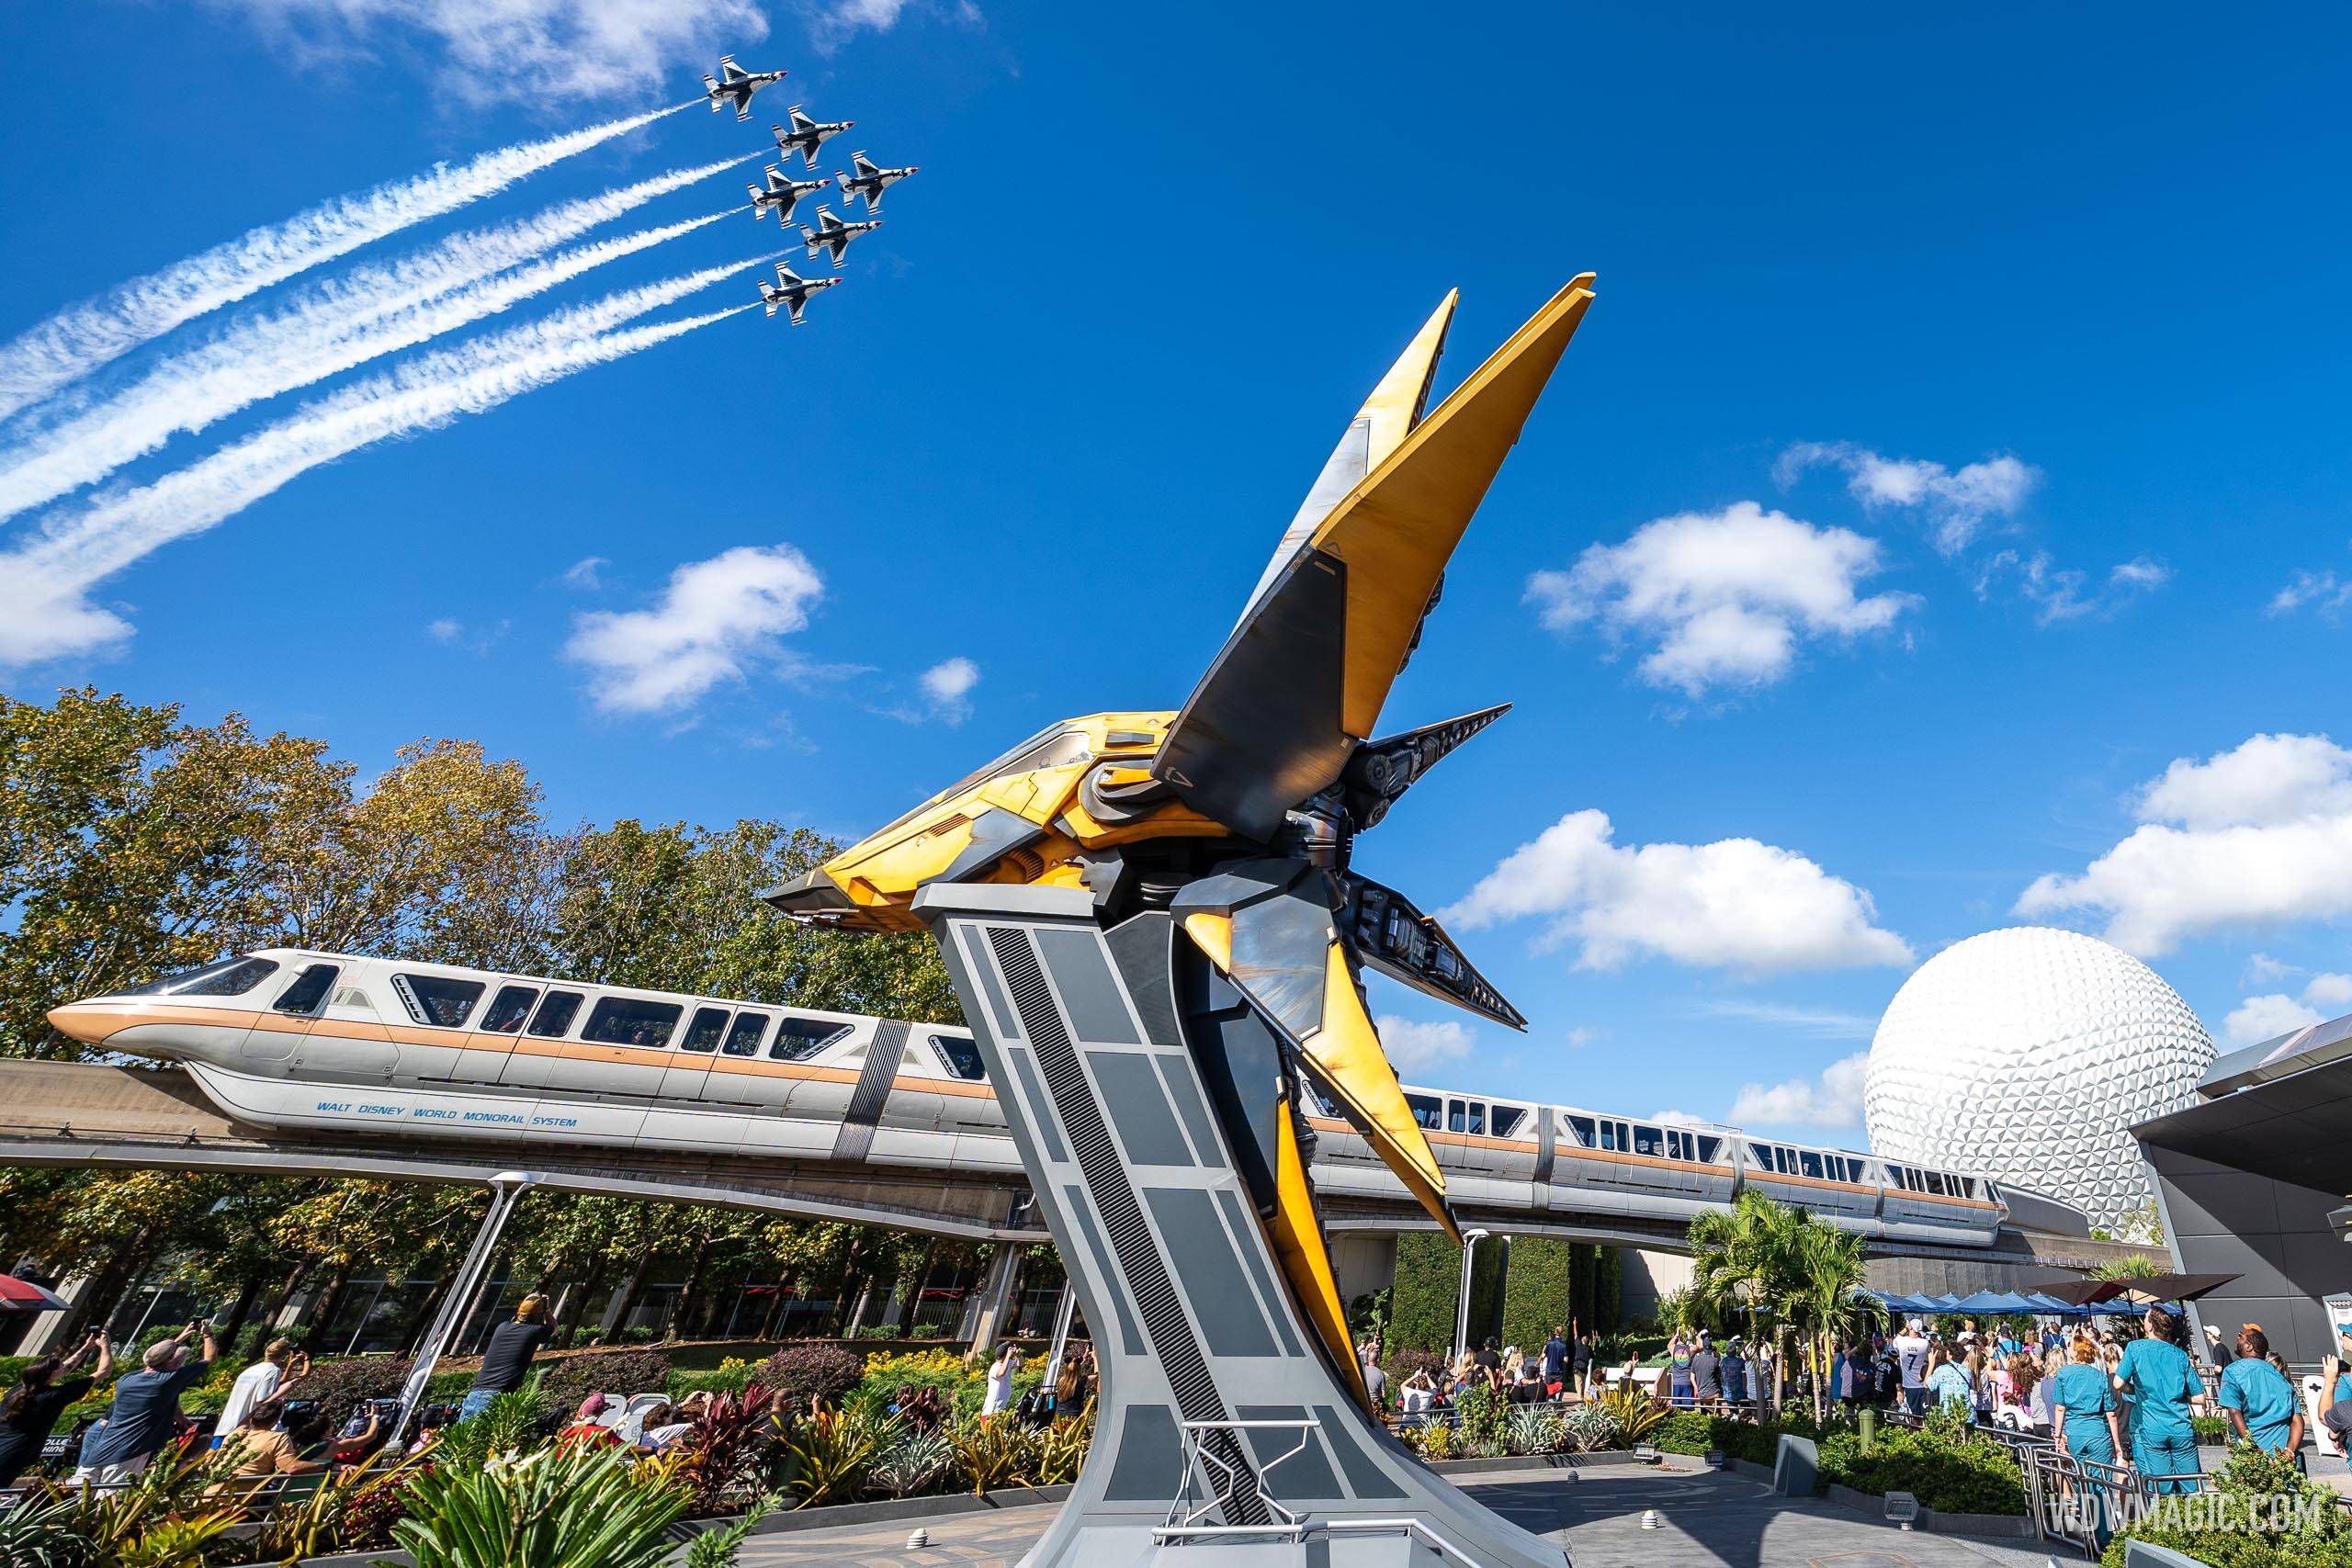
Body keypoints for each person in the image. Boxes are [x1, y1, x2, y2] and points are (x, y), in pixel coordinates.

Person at [74, 1319, 217, 1484]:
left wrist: (177, 1340)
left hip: (99, 1448)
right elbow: (209, 1358)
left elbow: (155, 1361)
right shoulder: (167, 1381)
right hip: (128, 1451)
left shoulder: (126, 1380)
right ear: (172, 1361)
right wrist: (207, 1333)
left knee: (78, 1500)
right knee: (110, 1502)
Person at [0, 1330, 112, 1486]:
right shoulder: (54, 1396)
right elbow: (104, 1371)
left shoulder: (18, 1390)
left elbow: (64, 1368)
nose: (64, 1367)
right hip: (12, 1455)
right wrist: (106, 1346)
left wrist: (86, 1348)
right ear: (52, 1373)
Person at [2116, 1306, 2199, 1491]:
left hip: (2153, 1426)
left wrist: (2135, 1390)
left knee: (2162, 1486)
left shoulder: (2135, 1348)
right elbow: (2200, 1397)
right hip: (2180, 1425)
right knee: (2192, 1486)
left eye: (2145, 1318)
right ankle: (2194, 1518)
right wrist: (2176, 1398)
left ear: (2150, 1327)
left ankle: (2167, 1517)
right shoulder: (2180, 1355)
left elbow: (2117, 1383)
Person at [461, 1294, 552, 1422]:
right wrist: (547, 1310)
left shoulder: (502, 1327)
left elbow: (517, 1319)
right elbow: (553, 1327)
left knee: (465, 1438)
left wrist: (530, 1301)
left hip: (475, 1392)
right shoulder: (534, 1331)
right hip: (497, 1394)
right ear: (538, 1315)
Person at [2218, 1326, 2303, 1455]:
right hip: (2284, 1453)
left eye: (2241, 1336)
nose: (2237, 1337)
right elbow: (2297, 1420)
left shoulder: (2232, 1372)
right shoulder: (2280, 1377)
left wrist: (2255, 1450)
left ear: (2249, 1347)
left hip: (2255, 1454)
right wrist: (2289, 1451)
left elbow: (2235, 1412)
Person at [214, 1339, 310, 1447]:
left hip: (225, 1425)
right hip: (242, 1428)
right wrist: (283, 1392)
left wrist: (290, 1367)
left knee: (210, 1460)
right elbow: (263, 1400)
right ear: (284, 1355)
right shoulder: (273, 1371)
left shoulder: (251, 1370)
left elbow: (278, 1384)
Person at [2051, 1337, 2125, 1468]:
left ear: (2075, 1352)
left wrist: (2058, 1436)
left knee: (2081, 1476)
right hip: (2099, 1433)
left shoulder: (2063, 1374)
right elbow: (2111, 1414)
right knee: (2102, 1479)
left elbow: (2060, 1408)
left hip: (2076, 1432)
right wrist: (2117, 1443)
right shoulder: (2100, 1376)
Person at [221, 1399, 327, 1481]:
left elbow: (245, 1422)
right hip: (238, 1498)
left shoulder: (236, 1433)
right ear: (276, 1420)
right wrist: (328, 1466)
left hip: (212, 1492)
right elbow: (291, 1467)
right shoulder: (277, 1438)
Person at [1891, 1319, 1930, 1415]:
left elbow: (1896, 1339)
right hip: (1922, 1383)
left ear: (1910, 1327)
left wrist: (1905, 1328)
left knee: (1912, 1414)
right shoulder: (1925, 1343)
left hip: (1909, 1385)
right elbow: (1929, 1358)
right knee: (1924, 1414)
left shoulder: (1902, 1341)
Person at [1926, 1344, 1973, 1413]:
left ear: (1951, 1355)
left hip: (1949, 1414)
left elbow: (1928, 1385)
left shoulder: (1941, 1370)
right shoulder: (1967, 1370)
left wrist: (1931, 1364)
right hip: (1966, 1412)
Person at [1688, 1332, 1723, 1412]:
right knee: (1716, 1416)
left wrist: (1696, 1388)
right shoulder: (1715, 1360)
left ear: (1702, 1347)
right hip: (1714, 1393)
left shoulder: (1696, 1359)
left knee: (1703, 1416)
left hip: (1702, 1394)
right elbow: (1719, 1375)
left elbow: (1692, 1377)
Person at [982, 1343, 1018, 1416]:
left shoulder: (1007, 1363)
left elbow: (1020, 1363)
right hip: (992, 1411)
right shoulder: (995, 1367)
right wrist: (1008, 1356)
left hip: (1001, 1408)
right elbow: (1001, 1372)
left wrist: (1018, 1354)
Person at [1667, 1334, 1694, 1409]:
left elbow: (1669, 1345)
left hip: (1676, 1382)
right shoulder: (1690, 1349)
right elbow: (1701, 1346)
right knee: (1688, 1409)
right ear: (1686, 1339)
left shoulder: (1673, 1349)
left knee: (1676, 1409)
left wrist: (1676, 1335)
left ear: (1679, 1338)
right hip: (1687, 1382)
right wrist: (1695, 1335)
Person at [1542, 1326, 1569, 1395]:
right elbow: (1566, 1360)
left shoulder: (1549, 1343)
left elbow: (1543, 1355)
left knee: (1548, 1389)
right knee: (1558, 1390)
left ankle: (1549, 1403)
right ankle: (1557, 1404)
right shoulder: (1563, 1345)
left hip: (1549, 1370)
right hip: (1559, 1371)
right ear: (1562, 1333)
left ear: (1555, 1332)